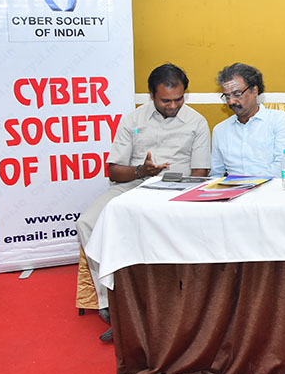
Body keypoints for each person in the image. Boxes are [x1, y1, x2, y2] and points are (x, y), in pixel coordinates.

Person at [76, 63, 211, 341]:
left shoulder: (197, 122)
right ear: (151, 95)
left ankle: (172, 306)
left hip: (177, 189)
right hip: (133, 185)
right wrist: (142, 171)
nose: (173, 106)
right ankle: (110, 304)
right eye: (165, 101)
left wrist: (178, 191)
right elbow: (114, 171)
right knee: (87, 222)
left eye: (178, 99)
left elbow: (200, 172)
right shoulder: (132, 120)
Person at [210, 63, 285, 177]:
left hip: (271, 187)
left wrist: (248, 183)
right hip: (231, 187)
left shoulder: (279, 121)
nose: (231, 101)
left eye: (237, 94)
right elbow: (216, 174)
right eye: (227, 96)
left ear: (254, 91)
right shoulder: (220, 130)